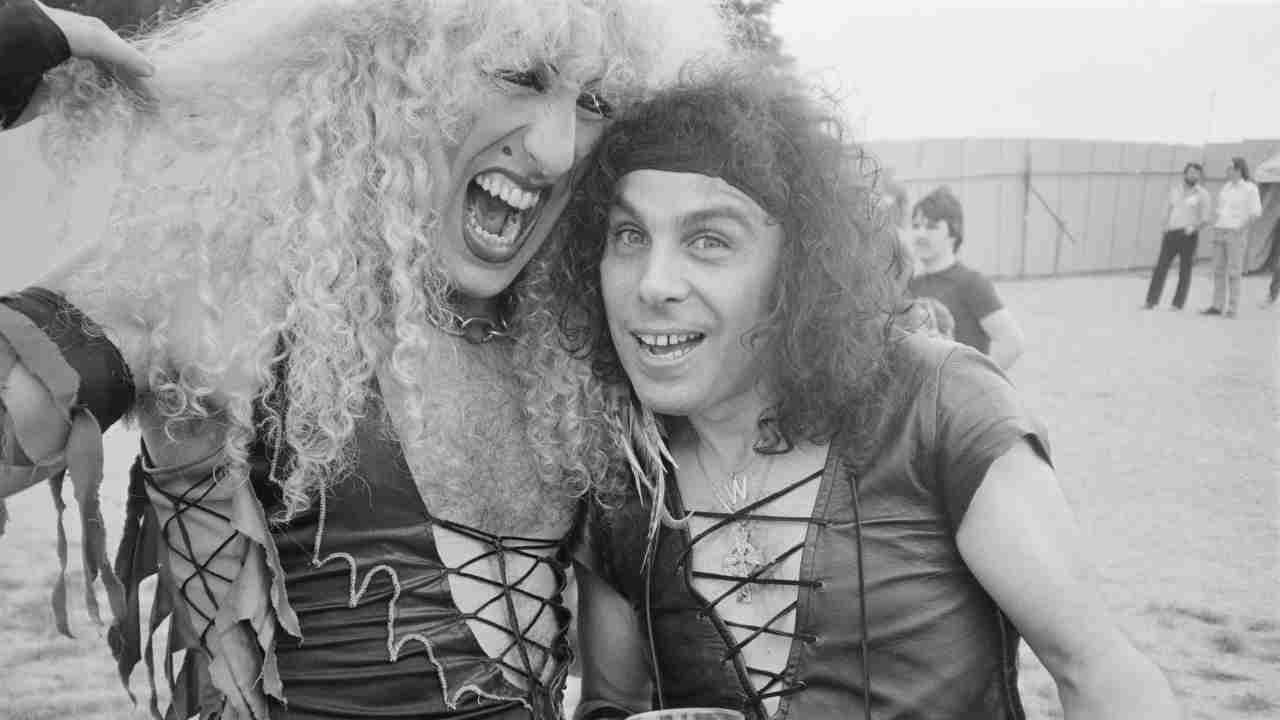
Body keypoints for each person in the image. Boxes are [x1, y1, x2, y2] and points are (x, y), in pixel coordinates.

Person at [0, 1, 729, 718]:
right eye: (518, 76)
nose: (557, 148)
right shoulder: (222, 291)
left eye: (596, 102)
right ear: (385, 70)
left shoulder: (574, 348)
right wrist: (12, 42)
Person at [548, 70, 1180, 720]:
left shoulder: (936, 409)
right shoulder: (625, 481)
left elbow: (1100, 674)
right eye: (629, 236)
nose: (653, 285)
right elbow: (612, 702)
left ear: (798, 270)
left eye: (709, 240)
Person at [907, 186, 1025, 370]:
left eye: (931, 227)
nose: (921, 234)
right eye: (916, 226)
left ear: (953, 234)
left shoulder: (971, 283)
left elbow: (1011, 342)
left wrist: (976, 383)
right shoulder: (909, 285)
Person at [1144, 162, 1212, 310]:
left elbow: (1206, 218)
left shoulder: (1203, 194)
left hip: (1189, 235)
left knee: (1185, 270)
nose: (1193, 175)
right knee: (1160, 267)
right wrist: (1164, 226)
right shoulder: (1175, 190)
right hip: (1171, 234)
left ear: (1199, 177)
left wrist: (1193, 228)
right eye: (1191, 172)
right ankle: (1151, 301)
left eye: (1196, 173)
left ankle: (1177, 304)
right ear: (1185, 174)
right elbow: (1167, 209)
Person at [1202, 157, 1262, 318]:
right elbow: (1221, 210)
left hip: (1236, 233)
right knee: (1218, 270)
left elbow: (1255, 213)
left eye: (1229, 168)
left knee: (1234, 272)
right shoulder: (1226, 187)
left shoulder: (1250, 188)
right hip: (1220, 230)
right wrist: (1216, 225)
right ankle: (1216, 306)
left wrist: (1240, 228)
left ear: (1238, 169)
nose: (1226, 171)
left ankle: (1232, 308)